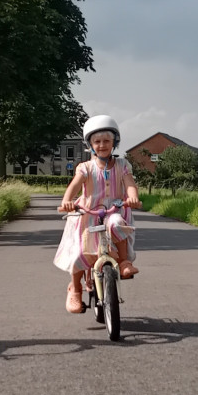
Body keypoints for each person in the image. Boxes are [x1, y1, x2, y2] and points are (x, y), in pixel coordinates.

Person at [53, 115, 142, 314]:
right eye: (97, 141)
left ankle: (124, 261)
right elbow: (74, 186)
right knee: (79, 252)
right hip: (88, 213)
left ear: (114, 143)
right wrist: (67, 201)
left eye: (106, 141)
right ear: (90, 145)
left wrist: (133, 197)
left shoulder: (122, 165)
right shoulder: (85, 168)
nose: (102, 145)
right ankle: (75, 289)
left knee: (118, 223)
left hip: (114, 210)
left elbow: (129, 185)